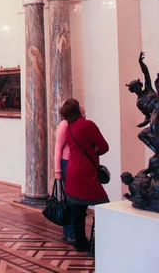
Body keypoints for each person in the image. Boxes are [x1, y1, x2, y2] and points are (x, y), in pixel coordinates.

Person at [61, 99, 109, 253]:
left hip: (72, 170)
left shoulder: (68, 128)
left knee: (77, 210)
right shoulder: (88, 125)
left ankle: (80, 242)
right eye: (80, 104)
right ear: (77, 109)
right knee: (104, 206)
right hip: (85, 172)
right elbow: (104, 146)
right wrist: (94, 151)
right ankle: (98, 244)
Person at [54, 103, 87, 245]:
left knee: (74, 200)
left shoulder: (77, 123)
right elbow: (58, 148)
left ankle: (71, 232)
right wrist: (57, 170)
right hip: (67, 164)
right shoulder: (64, 124)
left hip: (75, 164)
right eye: (80, 105)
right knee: (71, 200)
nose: (83, 106)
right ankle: (71, 233)